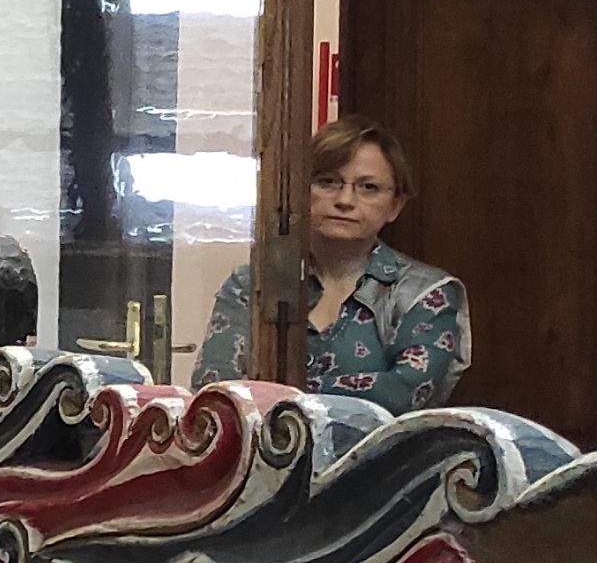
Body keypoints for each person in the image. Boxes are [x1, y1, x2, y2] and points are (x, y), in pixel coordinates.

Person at [191, 116, 469, 413]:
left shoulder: (426, 293)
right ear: (299, 189)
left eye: (369, 187)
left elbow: (402, 394)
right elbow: (215, 389)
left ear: (395, 206)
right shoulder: (252, 284)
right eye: (327, 182)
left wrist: (277, 392)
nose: (345, 200)